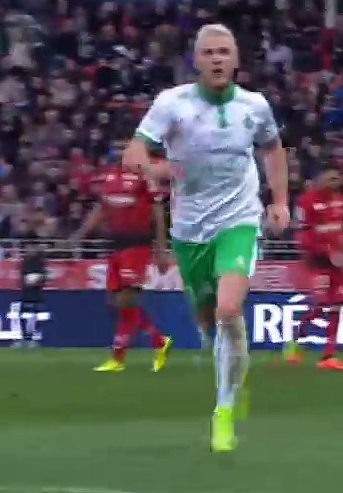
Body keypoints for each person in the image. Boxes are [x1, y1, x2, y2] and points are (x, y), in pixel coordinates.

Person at [122, 23, 290, 453]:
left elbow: (272, 149)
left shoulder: (254, 106)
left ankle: (224, 410)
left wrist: (280, 202)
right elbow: (133, 152)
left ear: (236, 60)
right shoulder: (172, 104)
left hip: (239, 220)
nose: (217, 59)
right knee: (207, 320)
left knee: (228, 310)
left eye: (224, 52)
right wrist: (152, 168)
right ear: (196, 60)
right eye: (209, 52)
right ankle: (234, 371)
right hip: (189, 229)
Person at [73, 161, 172, 371]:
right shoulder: (109, 177)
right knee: (116, 301)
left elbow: (157, 214)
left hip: (137, 245)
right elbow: (100, 209)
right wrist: (80, 235)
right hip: (115, 245)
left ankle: (118, 358)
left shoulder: (145, 178)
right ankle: (159, 341)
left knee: (127, 300)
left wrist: (161, 250)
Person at [284, 165, 343, 370]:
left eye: (337, 178)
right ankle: (296, 339)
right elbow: (303, 234)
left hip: (336, 261)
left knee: (338, 304)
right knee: (321, 304)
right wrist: (327, 252)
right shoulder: (306, 201)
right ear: (320, 179)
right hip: (317, 260)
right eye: (332, 178)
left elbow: (338, 231)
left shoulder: (340, 200)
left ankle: (328, 356)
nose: (336, 182)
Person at [16, 242, 47, 348]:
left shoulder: (41, 262)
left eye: (32, 247)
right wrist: (28, 280)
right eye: (28, 247)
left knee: (36, 316)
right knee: (23, 316)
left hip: (37, 294)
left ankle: (34, 339)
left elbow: (43, 278)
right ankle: (24, 338)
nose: (30, 249)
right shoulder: (25, 262)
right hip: (26, 294)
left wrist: (37, 279)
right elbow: (23, 279)